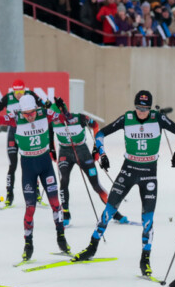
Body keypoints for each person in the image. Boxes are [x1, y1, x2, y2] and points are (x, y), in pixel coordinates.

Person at [72, 90, 175, 276]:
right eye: (138, 108)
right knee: (108, 211)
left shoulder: (158, 118)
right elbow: (100, 134)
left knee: (148, 220)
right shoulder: (127, 118)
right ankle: (91, 247)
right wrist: (102, 155)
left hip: (149, 174)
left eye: (145, 109)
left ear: (150, 108)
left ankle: (145, 260)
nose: (141, 112)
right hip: (128, 171)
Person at [0, 95, 70, 260]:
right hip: (28, 167)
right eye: (26, 114)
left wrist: (63, 108)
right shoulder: (15, 118)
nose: (30, 116)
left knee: (55, 203)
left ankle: (61, 237)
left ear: (36, 108)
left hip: (45, 165)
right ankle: (28, 243)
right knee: (30, 207)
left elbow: (66, 119)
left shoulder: (45, 113)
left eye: (32, 113)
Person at [51, 97, 127, 227]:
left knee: (96, 184)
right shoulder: (51, 121)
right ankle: (66, 213)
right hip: (64, 151)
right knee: (63, 180)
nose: (56, 118)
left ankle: (113, 212)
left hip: (82, 150)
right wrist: (52, 151)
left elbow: (95, 125)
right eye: (54, 116)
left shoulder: (78, 117)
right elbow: (49, 136)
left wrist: (96, 148)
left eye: (58, 115)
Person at [0, 79, 47, 207]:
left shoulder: (30, 96)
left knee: (32, 162)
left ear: (24, 90)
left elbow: (45, 106)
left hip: (27, 133)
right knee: (12, 165)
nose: (19, 94)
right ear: (13, 90)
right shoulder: (7, 98)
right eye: (16, 92)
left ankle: (36, 194)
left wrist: (47, 104)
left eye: (21, 91)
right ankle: (9, 196)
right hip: (13, 132)